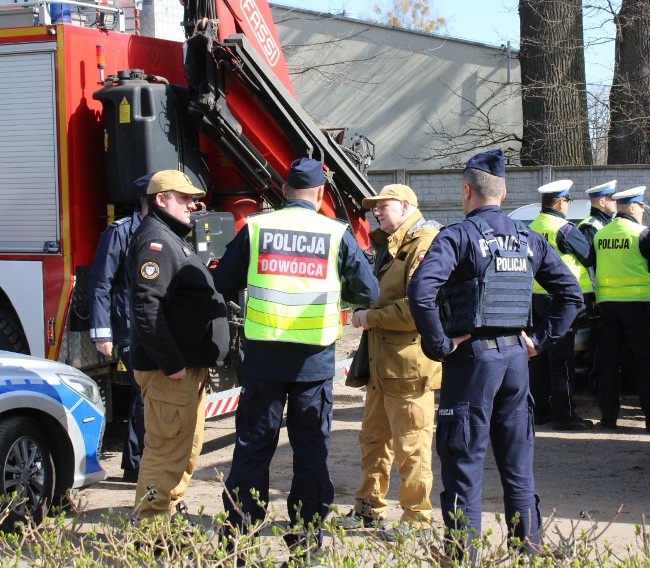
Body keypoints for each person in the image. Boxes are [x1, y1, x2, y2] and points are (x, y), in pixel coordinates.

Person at [408, 149, 582, 558]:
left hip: (472, 362)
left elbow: (421, 290)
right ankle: (528, 552)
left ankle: (462, 557)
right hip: (516, 363)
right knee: (518, 469)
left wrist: (439, 345)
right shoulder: (528, 238)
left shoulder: (459, 236)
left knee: (464, 467)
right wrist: (541, 339)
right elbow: (570, 294)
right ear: (503, 194)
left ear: (466, 191)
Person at [215, 158, 378, 553]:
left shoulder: (257, 227)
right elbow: (370, 293)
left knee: (253, 449)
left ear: (284, 191)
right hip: (314, 364)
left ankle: (238, 537)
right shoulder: (335, 233)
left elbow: (222, 282)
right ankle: (306, 539)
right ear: (321, 195)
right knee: (310, 454)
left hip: (263, 362)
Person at [338, 184, 442, 538]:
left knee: (411, 447)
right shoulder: (390, 244)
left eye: (383, 206)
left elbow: (418, 309)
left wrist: (370, 317)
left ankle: (416, 520)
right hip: (382, 366)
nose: (376, 212)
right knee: (374, 440)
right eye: (374, 207)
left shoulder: (423, 244)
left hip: (409, 368)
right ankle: (368, 508)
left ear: (405, 205)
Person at [128, 169, 229, 521]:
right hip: (170, 371)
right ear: (161, 199)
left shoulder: (171, 236)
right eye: (184, 197)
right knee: (166, 450)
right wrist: (171, 363)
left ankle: (166, 512)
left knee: (184, 447)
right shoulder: (155, 241)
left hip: (185, 367)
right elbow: (147, 307)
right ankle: (151, 527)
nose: (193, 203)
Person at [593, 186, 650, 433]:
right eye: (641, 206)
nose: (642, 210)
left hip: (608, 306)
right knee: (647, 363)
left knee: (609, 364)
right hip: (637, 308)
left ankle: (608, 418)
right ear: (632, 207)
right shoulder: (642, 234)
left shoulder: (601, 235)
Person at [89, 173, 152, 483]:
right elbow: (101, 282)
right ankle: (137, 465)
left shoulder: (168, 232)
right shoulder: (121, 233)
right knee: (143, 394)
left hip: (156, 327)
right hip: (129, 326)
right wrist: (102, 332)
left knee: (146, 396)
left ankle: (134, 461)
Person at [527, 179, 594, 430]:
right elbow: (588, 255)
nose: (567, 205)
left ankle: (540, 411)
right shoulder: (564, 229)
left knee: (538, 355)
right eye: (567, 201)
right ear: (560, 202)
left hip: (536, 298)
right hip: (561, 299)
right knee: (562, 359)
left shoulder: (532, 228)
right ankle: (564, 415)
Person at [577, 180, 618, 390]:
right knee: (599, 343)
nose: (615, 202)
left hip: (611, 294)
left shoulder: (608, 224)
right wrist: (594, 294)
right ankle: (596, 383)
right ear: (602, 201)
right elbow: (589, 264)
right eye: (612, 198)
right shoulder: (590, 227)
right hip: (597, 295)